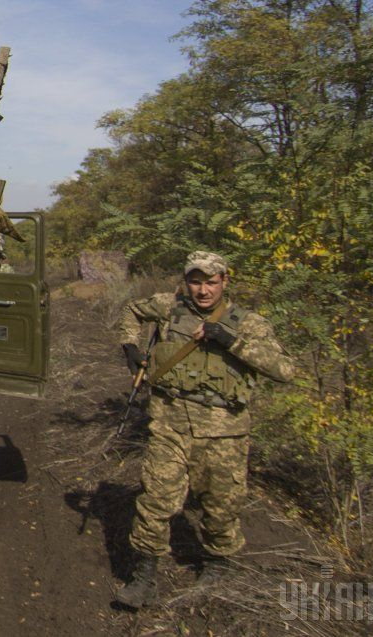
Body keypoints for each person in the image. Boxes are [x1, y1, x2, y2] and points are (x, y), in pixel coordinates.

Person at [113, 251, 295, 609]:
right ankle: (144, 577)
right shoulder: (169, 306)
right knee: (155, 501)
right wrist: (129, 347)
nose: (203, 289)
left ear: (225, 282)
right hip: (170, 424)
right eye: (196, 281)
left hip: (224, 433)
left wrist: (230, 340)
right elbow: (132, 310)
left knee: (221, 506)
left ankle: (216, 565)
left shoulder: (248, 323)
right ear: (186, 282)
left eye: (211, 281)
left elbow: (285, 369)